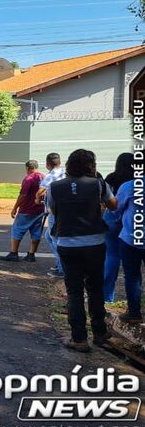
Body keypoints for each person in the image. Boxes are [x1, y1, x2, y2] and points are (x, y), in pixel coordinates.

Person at [48, 149, 117, 351]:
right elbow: (113, 205)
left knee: (74, 292)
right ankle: (100, 333)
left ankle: (79, 339)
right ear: (92, 166)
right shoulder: (99, 184)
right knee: (95, 289)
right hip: (95, 243)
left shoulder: (54, 187)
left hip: (68, 244)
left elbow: (54, 210)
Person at [0, 160, 46, 262]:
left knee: (17, 229)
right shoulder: (44, 177)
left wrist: (15, 207)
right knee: (36, 232)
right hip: (39, 209)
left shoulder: (28, 179)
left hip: (26, 209)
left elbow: (23, 195)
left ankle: (14, 253)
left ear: (28, 168)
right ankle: (31, 254)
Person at [103, 153, 134, 303]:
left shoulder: (111, 178)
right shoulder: (136, 181)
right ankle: (134, 301)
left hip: (113, 218)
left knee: (111, 255)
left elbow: (106, 200)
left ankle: (107, 295)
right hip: (134, 221)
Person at [116, 175, 144, 324]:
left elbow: (116, 207)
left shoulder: (129, 186)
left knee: (132, 276)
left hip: (131, 238)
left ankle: (134, 312)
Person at [34, 153, 66, 277]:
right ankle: (60, 264)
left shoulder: (51, 175)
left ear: (48, 164)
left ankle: (62, 269)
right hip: (63, 210)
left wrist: (37, 199)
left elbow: (40, 190)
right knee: (49, 236)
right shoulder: (64, 173)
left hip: (53, 211)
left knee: (55, 239)